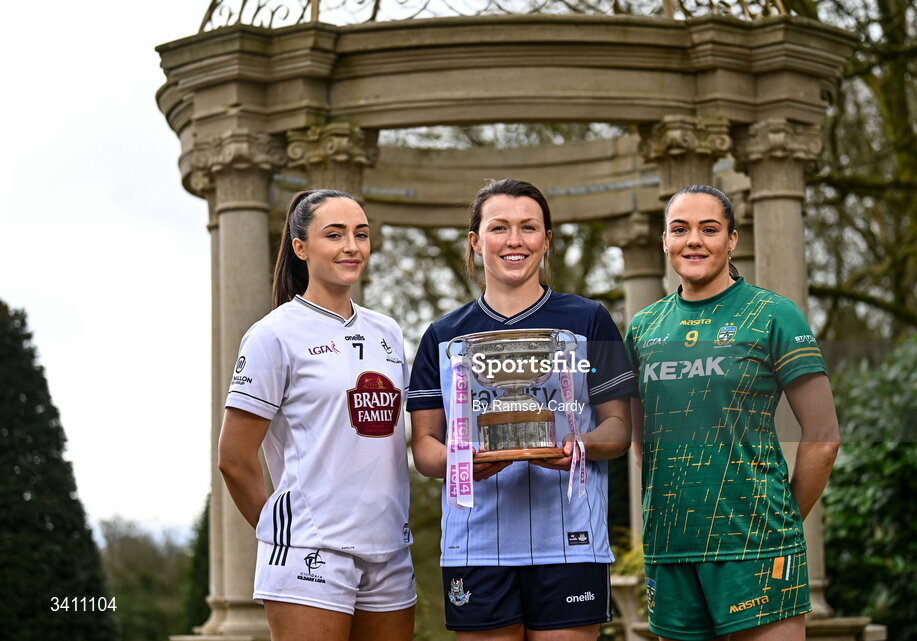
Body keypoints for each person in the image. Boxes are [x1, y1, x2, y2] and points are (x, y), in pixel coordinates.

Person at [408, 178, 635, 640]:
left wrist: (580, 445)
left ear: (546, 240)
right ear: (476, 241)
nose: (515, 241)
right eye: (499, 228)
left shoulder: (588, 319)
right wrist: (463, 462)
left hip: (572, 542)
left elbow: (618, 431)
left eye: (529, 228)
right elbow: (425, 449)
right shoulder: (442, 336)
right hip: (474, 547)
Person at [625, 185, 840, 641]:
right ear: (664, 241)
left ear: (733, 239)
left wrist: (778, 520)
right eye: (680, 229)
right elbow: (644, 444)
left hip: (757, 544)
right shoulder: (642, 328)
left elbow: (823, 435)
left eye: (709, 229)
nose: (694, 241)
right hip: (671, 549)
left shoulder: (773, 314)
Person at [218, 189, 415, 641]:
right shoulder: (273, 335)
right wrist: (280, 532)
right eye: (335, 234)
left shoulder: (387, 332)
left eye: (361, 234)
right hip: (311, 551)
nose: (352, 246)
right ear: (300, 247)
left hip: (390, 548)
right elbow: (234, 457)